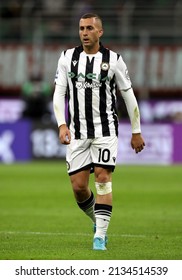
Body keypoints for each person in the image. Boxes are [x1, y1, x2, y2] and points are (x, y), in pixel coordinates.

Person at [53, 13, 145, 250]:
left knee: (103, 178)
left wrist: (136, 131)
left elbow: (128, 95)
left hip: (105, 131)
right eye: (82, 28)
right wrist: (62, 124)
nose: (85, 32)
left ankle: (100, 237)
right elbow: (59, 93)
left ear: (100, 32)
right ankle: (97, 220)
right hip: (78, 132)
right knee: (79, 187)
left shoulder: (113, 60)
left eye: (90, 28)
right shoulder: (67, 58)